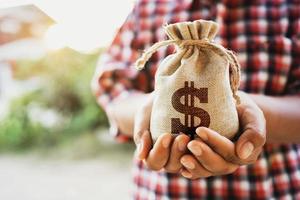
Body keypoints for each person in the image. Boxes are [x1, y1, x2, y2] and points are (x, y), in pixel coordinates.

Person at [91, 0, 300, 199]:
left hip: (271, 190)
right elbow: (113, 92)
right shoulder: (148, 6)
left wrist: (254, 115)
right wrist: (148, 109)